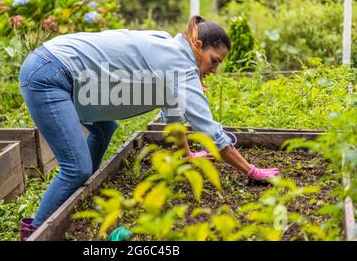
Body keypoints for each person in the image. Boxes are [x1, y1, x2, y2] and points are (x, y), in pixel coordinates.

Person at [17, 15, 280, 240]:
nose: (214, 69)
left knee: (105, 128)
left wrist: (186, 154)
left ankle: (77, 193)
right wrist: (251, 170)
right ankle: (35, 231)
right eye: (214, 61)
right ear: (198, 46)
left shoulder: (170, 48)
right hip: (50, 74)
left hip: (60, 68)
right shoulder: (180, 65)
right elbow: (210, 130)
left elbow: (172, 112)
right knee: (76, 166)